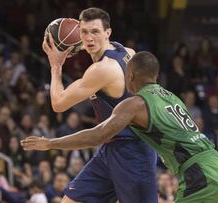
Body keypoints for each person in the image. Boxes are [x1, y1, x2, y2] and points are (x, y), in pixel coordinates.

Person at [21, 51, 218, 203]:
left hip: (200, 173)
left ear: (129, 76)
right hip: (217, 163)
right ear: (155, 76)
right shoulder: (171, 97)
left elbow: (96, 136)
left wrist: (50, 143)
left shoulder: (134, 104)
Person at [41, 7, 157, 203]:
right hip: (111, 148)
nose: (89, 38)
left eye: (95, 31)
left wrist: (56, 66)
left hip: (132, 153)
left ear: (107, 33)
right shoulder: (126, 51)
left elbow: (58, 104)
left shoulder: (102, 69)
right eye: (84, 32)